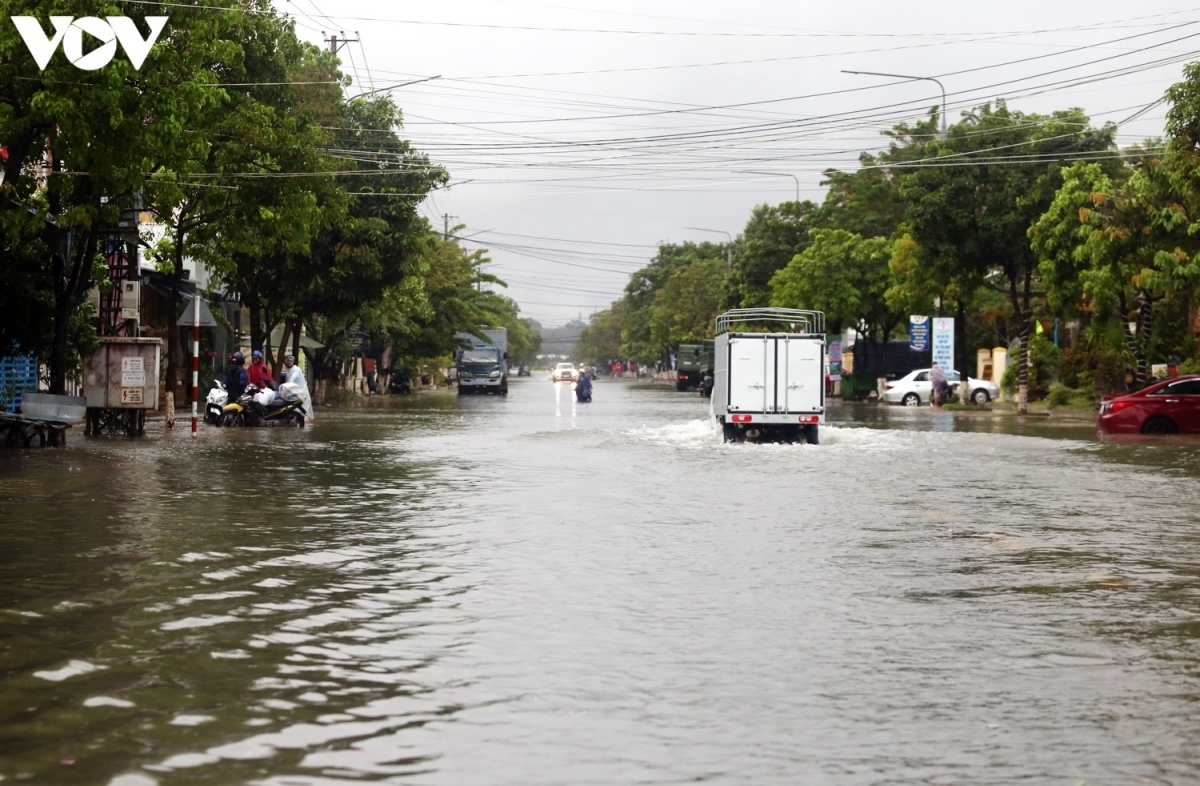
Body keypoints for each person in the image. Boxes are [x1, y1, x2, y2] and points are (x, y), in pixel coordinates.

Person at [280, 354, 314, 422]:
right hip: (294, 391)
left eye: (290, 361)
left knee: (303, 407)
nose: (289, 362)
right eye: (288, 361)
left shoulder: (296, 369)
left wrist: (283, 387)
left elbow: (291, 380)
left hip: (300, 392)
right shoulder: (288, 369)